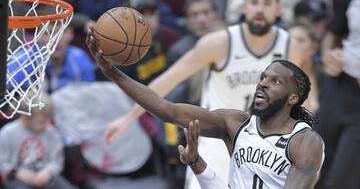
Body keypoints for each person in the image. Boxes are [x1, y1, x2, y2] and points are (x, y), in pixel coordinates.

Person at [95, 0, 311, 187]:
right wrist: (128, 118)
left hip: (264, 153)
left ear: (279, 9)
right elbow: (169, 80)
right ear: (245, 7)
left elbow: (303, 98)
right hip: (216, 143)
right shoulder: (219, 43)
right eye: (254, 2)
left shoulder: (291, 47)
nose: (260, 9)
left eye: (267, 3)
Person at [87, 40, 325, 188]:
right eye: (262, 77)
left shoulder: (305, 142)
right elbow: (166, 110)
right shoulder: (235, 123)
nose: (262, 83)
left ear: (293, 98)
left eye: (275, 81)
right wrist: (111, 72)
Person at [315, 0, 360, 188]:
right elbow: (333, 35)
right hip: (339, 83)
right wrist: (328, 55)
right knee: (315, 163)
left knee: (342, 178)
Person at [0, 93, 75, 189]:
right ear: (25, 118)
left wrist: (48, 172)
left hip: (46, 176)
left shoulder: (52, 133)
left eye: (49, 120)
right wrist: (16, 173)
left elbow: (57, 161)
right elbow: (2, 161)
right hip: (18, 178)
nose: (47, 124)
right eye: (41, 122)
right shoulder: (8, 133)